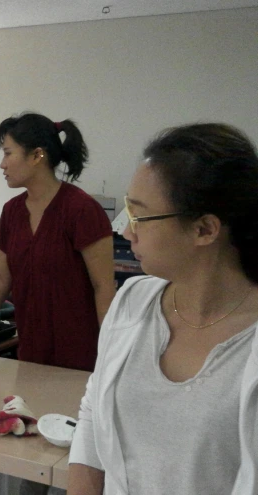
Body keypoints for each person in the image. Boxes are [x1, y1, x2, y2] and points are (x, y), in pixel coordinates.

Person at [68, 123, 258, 495]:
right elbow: (92, 417)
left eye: (138, 216)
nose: (126, 232)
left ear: (204, 229)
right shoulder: (133, 303)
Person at [0, 113, 115, 372]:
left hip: (80, 356)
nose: (2, 164)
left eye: (8, 153)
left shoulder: (81, 209)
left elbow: (104, 286)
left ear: (36, 156)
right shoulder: (12, 211)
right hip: (31, 353)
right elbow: (1, 280)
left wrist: (113, 352)